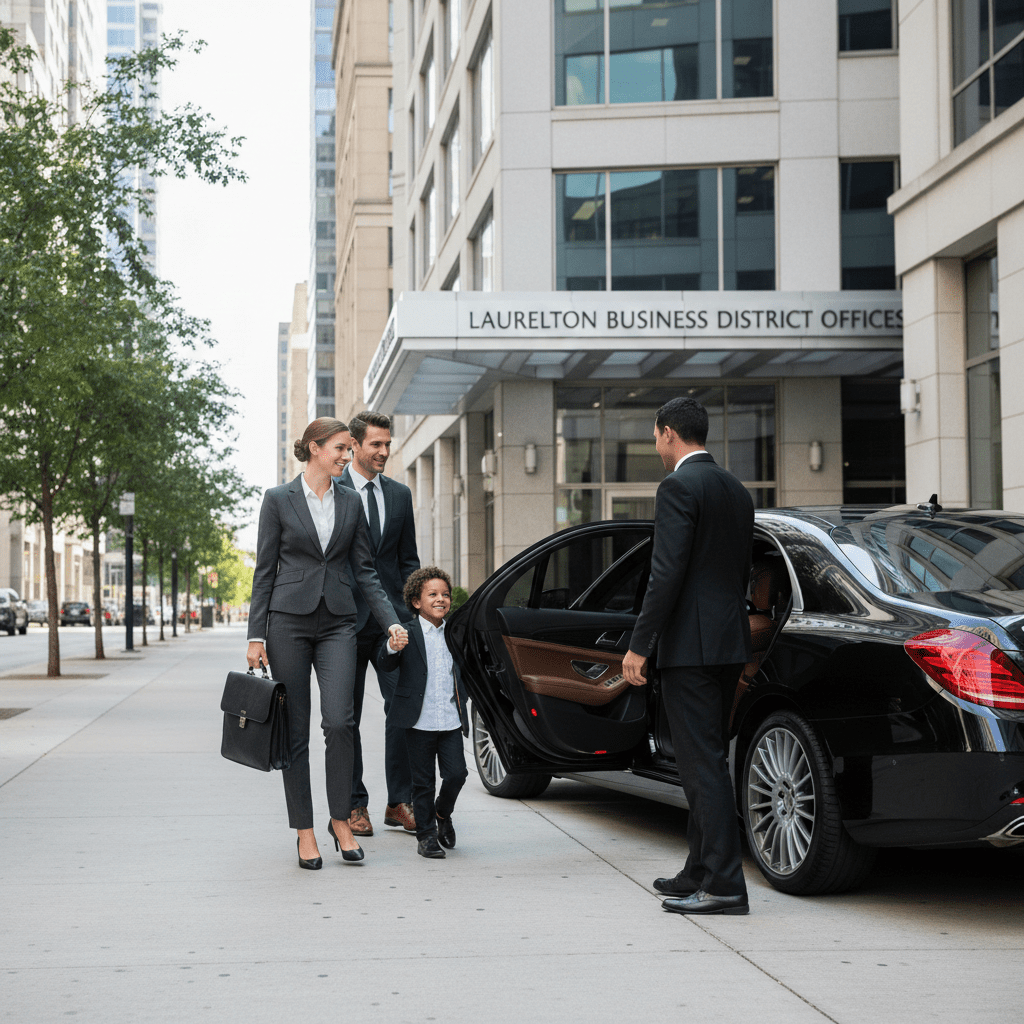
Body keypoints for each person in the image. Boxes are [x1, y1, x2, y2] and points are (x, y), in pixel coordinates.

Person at [247, 417, 409, 870]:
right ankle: (304, 830)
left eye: (348, 449)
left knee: (340, 722)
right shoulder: (278, 500)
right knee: (296, 731)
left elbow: (366, 571)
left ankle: (341, 820)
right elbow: (264, 572)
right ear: (315, 448)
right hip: (287, 623)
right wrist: (255, 635)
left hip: (340, 621)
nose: (346, 456)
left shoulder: (351, 502)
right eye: (340, 448)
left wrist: (392, 622)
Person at [622, 397, 754, 916]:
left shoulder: (678, 485)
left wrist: (638, 645)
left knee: (702, 768)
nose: (655, 444)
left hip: (691, 648)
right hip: (727, 642)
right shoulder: (735, 489)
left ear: (670, 433)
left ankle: (723, 885)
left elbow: (667, 573)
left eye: (656, 435)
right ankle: (698, 870)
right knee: (708, 760)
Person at [338, 411, 420, 838]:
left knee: (403, 708)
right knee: (344, 717)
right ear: (354, 445)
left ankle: (399, 802)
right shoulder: (330, 491)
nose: (385, 452)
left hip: (394, 624)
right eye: (376, 444)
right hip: (344, 623)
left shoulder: (400, 495)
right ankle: (354, 805)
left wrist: (414, 616)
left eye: (388, 444)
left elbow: (408, 562)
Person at [375, 567, 468, 860]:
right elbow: (385, 665)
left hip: (450, 720)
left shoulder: (455, 633)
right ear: (416, 601)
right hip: (419, 722)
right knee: (422, 783)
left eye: (445, 594)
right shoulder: (407, 632)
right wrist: (391, 647)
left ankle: (443, 812)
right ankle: (426, 836)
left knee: (457, 774)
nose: (441, 599)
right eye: (433, 594)